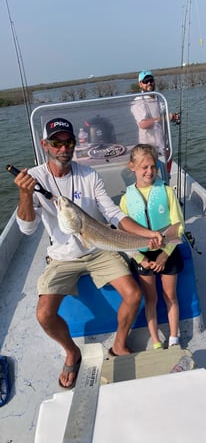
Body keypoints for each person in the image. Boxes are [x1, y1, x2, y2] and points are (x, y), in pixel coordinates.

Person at [14, 117, 163, 389]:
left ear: (75, 143)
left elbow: (113, 214)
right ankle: (72, 351)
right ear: (45, 144)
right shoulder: (34, 179)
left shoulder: (89, 175)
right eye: (56, 143)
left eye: (68, 142)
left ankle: (119, 345)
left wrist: (146, 234)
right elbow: (26, 229)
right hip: (62, 256)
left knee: (133, 294)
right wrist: (25, 195)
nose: (63, 148)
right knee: (44, 314)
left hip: (98, 248)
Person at [119, 144, 184, 349]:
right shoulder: (125, 200)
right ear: (132, 167)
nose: (149, 171)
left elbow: (179, 226)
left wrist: (164, 255)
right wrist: (141, 259)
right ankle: (155, 341)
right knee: (151, 299)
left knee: (170, 295)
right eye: (144, 167)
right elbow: (123, 237)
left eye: (153, 166)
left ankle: (173, 338)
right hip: (143, 257)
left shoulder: (166, 191)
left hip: (168, 251)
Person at [131, 70, 180, 157]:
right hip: (147, 150)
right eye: (146, 81)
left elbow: (161, 119)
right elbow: (143, 124)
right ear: (140, 84)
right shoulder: (138, 101)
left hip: (163, 147)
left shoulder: (159, 98)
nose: (149, 83)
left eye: (151, 80)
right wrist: (164, 118)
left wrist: (172, 118)